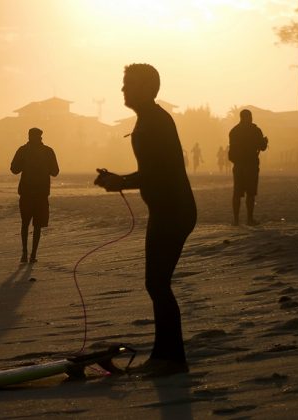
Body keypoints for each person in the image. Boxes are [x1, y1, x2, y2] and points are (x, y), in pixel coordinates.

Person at [94, 63, 196, 377]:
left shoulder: (154, 122)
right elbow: (155, 171)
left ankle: (172, 359)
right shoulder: (149, 120)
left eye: (128, 84)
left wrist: (119, 182)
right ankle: (165, 355)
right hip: (168, 210)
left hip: (174, 211)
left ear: (146, 88)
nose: (123, 90)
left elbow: (159, 173)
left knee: (157, 283)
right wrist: (119, 180)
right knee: (157, 283)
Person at [10, 127, 59, 263]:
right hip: (41, 194)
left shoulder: (23, 150)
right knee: (37, 225)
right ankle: (32, 255)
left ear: (29, 136)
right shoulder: (48, 151)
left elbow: (14, 169)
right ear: (41, 137)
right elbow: (55, 171)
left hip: (26, 193)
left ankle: (25, 254)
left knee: (25, 224)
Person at [228, 109, 268, 226]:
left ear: (240, 117)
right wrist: (265, 141)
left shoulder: (234, 131)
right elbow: (262, 147)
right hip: (251, 165)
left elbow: (232, 150)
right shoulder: (255, 130)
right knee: (250, 193)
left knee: (237, 193)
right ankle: (249, 219)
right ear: (249, 117)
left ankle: (236, 220)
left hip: (238, 165)